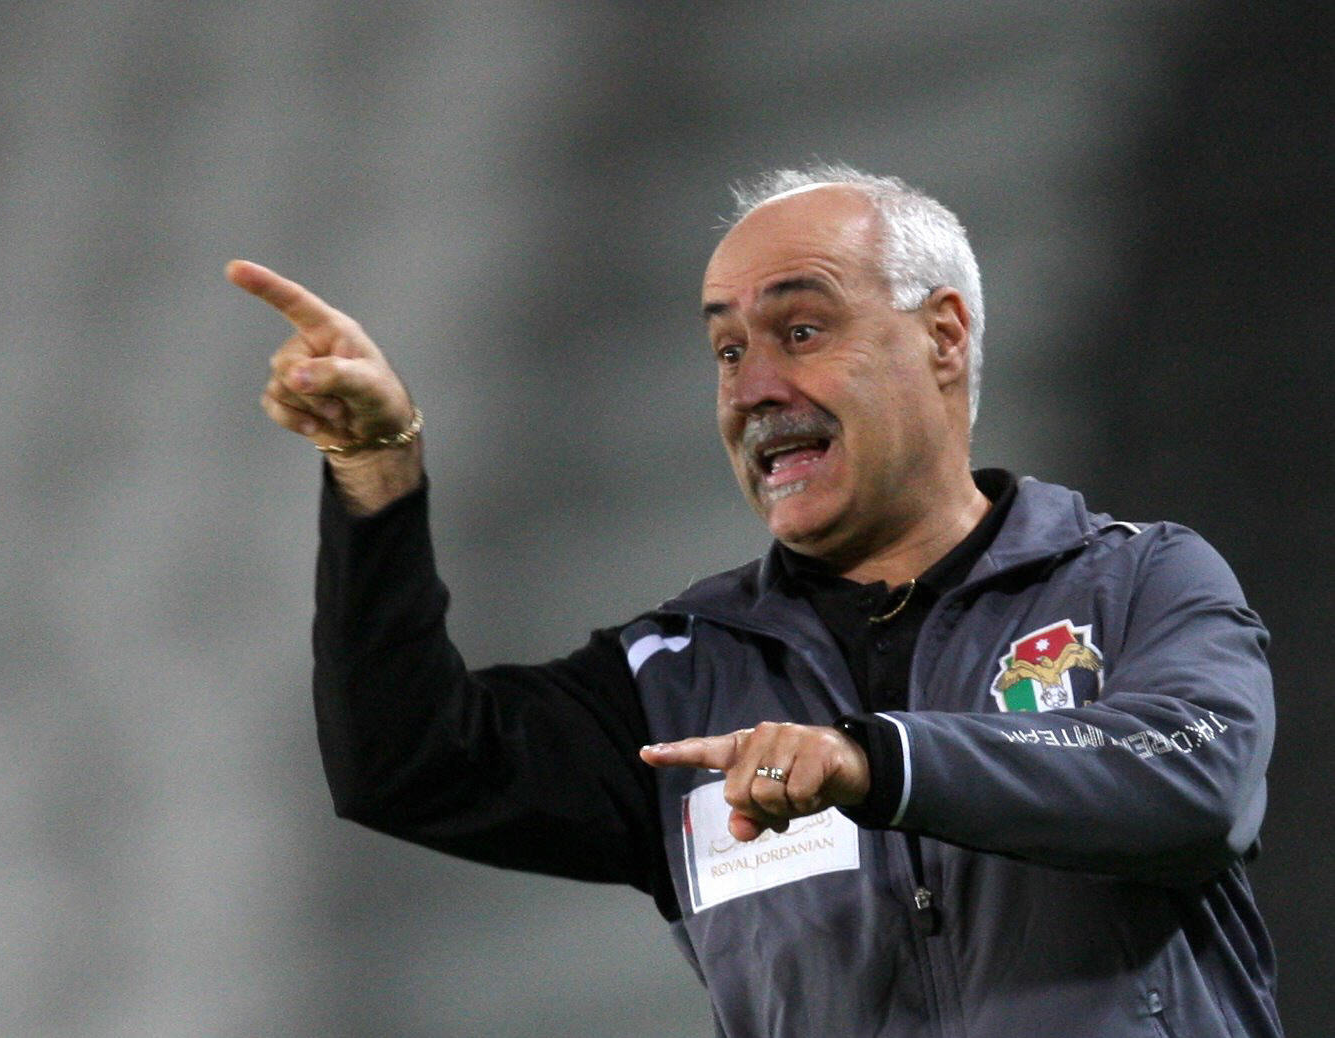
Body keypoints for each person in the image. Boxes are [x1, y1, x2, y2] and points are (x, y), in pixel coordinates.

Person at [226, 164, 1279, 1037]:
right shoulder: (677, 681)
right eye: (726, 349)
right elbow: (403, 764)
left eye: (800, 332)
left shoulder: (1136, 580)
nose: (749, 389)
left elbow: (1194, 786)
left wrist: (879, 761)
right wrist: (373, 470)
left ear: (944, 336)